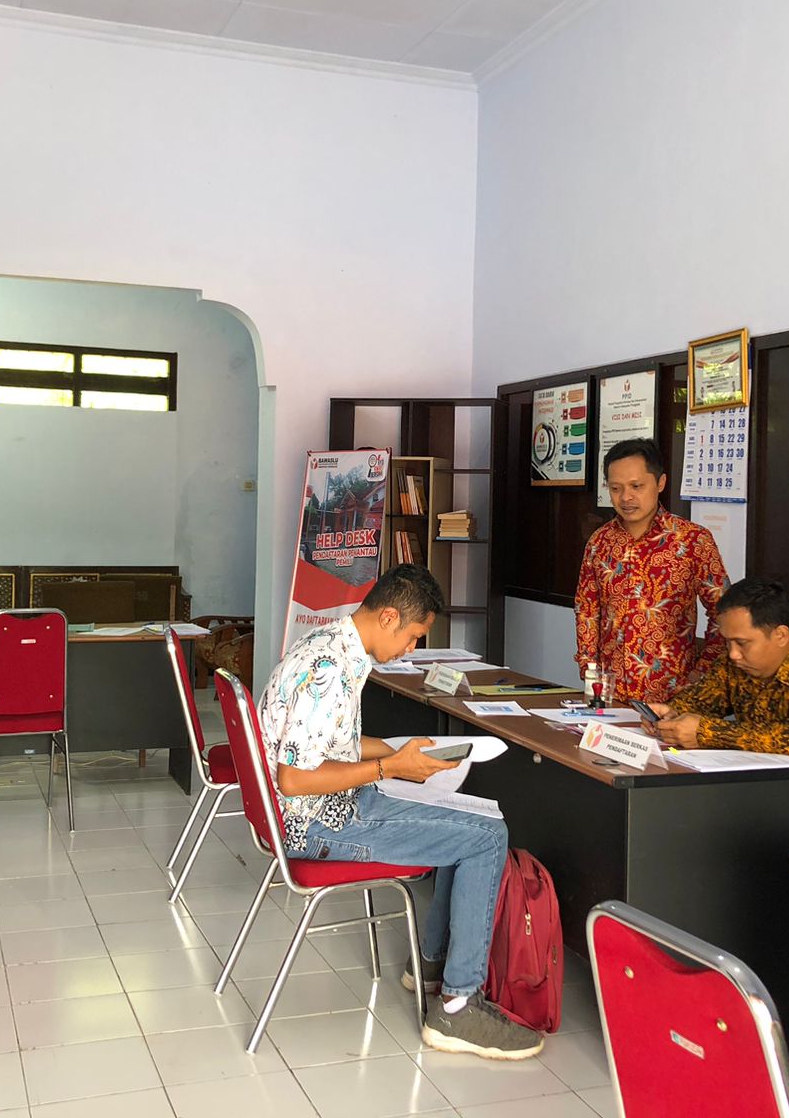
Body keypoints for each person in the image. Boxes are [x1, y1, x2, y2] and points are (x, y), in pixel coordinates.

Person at [259, 564, 543, 1060]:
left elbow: (333, 744)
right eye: (413, 637)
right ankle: (457, 1008)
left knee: (475, 821)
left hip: (321, 809)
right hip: (317, 823)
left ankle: (431, 964)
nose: (411, 649)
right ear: (388, 617)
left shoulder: (332, 646)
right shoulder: (330, 668)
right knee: (486, 838)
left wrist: (397, 750)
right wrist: (390, 768)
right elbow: (295, 778)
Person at [643, 578, 789, 1007]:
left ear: (781, 635)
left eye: (742, 643)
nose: (733, 654)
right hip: (760, 797)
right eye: (728, 643)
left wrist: (708, 732)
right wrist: (671, 714)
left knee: (786, 855)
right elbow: (700, 701)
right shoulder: (738, 664)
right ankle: (717, 970)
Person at [576, 439, 729, 704]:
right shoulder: (600, 542)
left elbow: (724, 611)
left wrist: (702, 672)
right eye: (616, 488)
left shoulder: (693, 540)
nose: (626, 497)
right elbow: (587, 609)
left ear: (660, 483)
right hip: (610, 695)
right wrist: (589, 669)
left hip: (673, 697)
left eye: (636, 486)